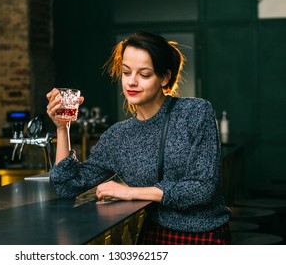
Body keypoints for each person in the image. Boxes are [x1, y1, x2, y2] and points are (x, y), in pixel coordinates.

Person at [46, 31, 231, 245]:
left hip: (203, 237)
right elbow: (67, 186)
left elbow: (202, 189)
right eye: (126, 72)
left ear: (165, 78)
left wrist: (131, 192)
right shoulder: (118, 136)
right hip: (153, 237)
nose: (131, 82)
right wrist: (62, 128)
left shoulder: (195, 112)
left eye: (144, 74)